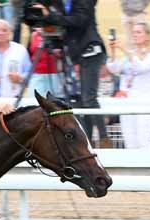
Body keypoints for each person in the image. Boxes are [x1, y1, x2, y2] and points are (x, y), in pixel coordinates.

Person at [35, 0, 110, 147]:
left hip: (91, 50)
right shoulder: (61, 3)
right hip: (79, 54)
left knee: (89, 98)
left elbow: (78, 21)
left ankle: (104, 138)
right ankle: (88, 140)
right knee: (83, 99)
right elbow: (66, 27)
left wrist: (50, 15)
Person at [106, 22, 150, 150]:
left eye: (139, 32)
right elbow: (113, 68)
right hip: (127, 101)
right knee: (129, 140)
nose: (135, 35)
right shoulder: (129, 55)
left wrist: (125, 50)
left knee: (143, 139)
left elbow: (141, 67)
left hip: (144, 101)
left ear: (147, 36)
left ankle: (148, 167)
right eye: (134, 32)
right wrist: (113, 51)